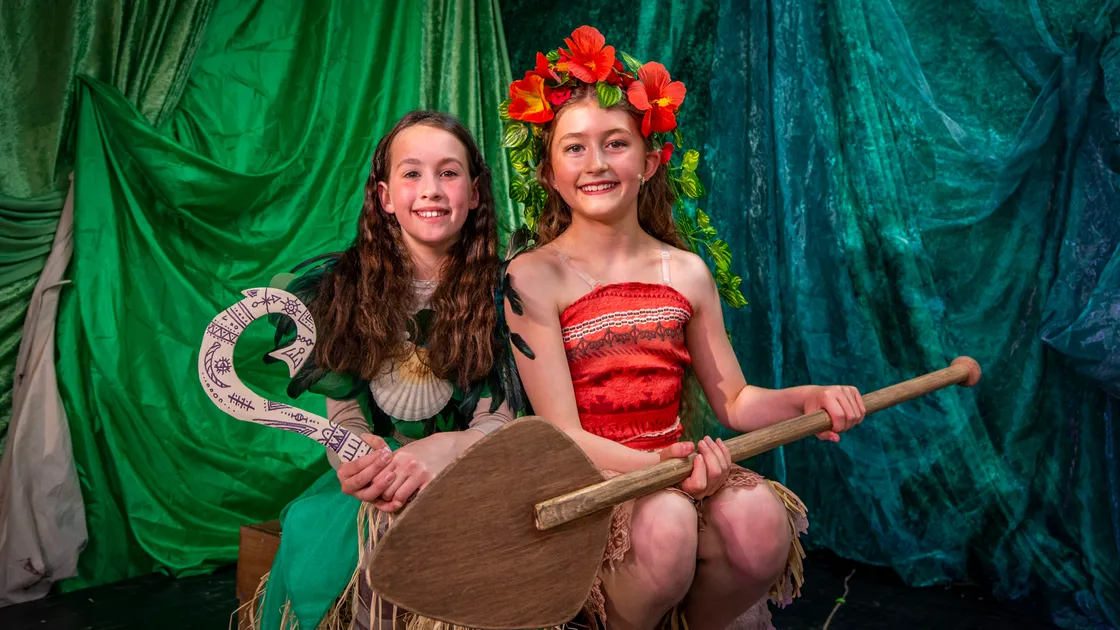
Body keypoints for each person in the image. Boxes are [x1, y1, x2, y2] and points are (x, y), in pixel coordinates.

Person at [501, 26, 867, 630]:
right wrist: (661, 473)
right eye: (574, 148)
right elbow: (558, 431)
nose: (596, 163)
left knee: (759, 522)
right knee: (668, 523)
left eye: (615, 143)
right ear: (548, 174)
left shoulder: (688, 273)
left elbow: (737, 400)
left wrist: (811, 399)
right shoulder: (533, 275)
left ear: (650, 160)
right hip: (593, 480)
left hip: (677, 469)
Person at [253, 110, 521, 630]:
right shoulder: (344, 291)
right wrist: (352, 457)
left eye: (449, 173)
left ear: (476, 193)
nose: (432, 189)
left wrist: (447, 450)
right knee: (381, 515)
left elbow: (503, 416)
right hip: (387, 470)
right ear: (384, 197)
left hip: (479, 463)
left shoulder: (508, 286)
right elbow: (346, 416)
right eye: (412, 173)